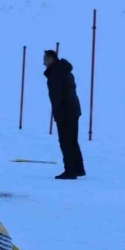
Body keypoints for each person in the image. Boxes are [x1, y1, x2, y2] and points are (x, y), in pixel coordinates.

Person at [44, 49, 86, 179]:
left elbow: (57, 95)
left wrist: (58, 113)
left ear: (51, 59)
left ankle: (70, 171)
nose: (44, 62)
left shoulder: (56, 73)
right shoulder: (63, 70)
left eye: (45, 59)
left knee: (66, 141)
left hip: (65, 112)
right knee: (72, 140)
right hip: (73, 110)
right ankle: (78, 168)